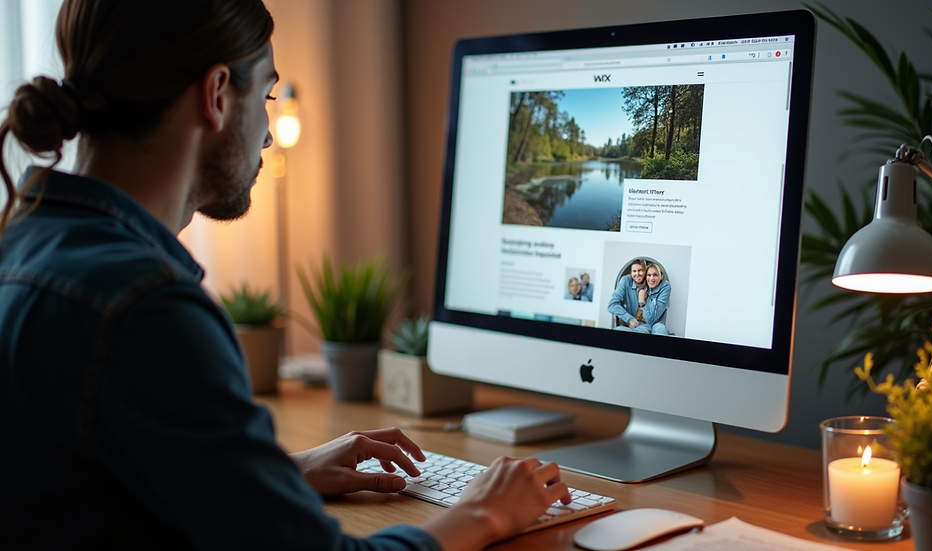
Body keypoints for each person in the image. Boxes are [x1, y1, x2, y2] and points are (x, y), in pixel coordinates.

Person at [0, 2, 569, 549]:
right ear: (218, 94)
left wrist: (279, 474)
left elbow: (102, 489)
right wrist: (484, 511)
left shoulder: (22, 247)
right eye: (267, 94)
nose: (269, 134)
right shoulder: (148, 310)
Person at [608, 259, 647, 329]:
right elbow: (612, 305)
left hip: (645, 326)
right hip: (628, 325)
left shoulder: (651, 281)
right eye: (634, 271)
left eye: (640, 270)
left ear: (645, 271)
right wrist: (629, 319)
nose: (637, 274)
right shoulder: (626, 280)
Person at [635, 263, 671, 335]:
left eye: (655, 275)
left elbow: (651, 319)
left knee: (660, 330)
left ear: (661, 276)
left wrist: (642, 302)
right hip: (642, 324)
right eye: (649, 275)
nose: (651, 278)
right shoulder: (641, 287)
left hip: (657, 323)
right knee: (640, 331)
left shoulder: (665, 287)